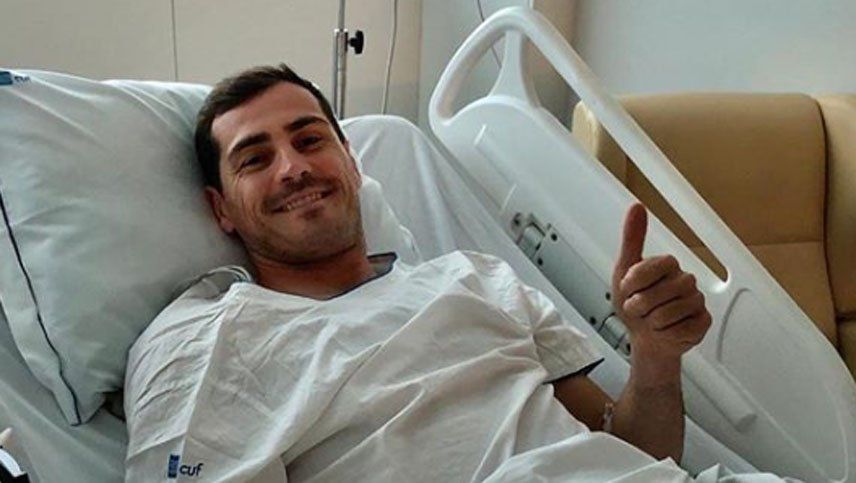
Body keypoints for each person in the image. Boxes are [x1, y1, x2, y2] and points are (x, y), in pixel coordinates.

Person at [122, 64, 777, 482]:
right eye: (255, 158)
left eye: (310, 139)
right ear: (221, 209)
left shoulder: (475, 278)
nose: (293, 167)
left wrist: (656, 358)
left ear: (352, 162)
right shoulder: (209, 341)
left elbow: (637, 451)